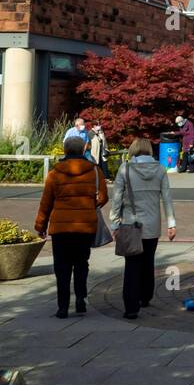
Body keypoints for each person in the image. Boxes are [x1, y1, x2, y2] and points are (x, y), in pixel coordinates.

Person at [35, 135, 107, 318]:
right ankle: (81, 298)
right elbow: (103, 198)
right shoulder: (95, 172)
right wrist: (91, 205)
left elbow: (46, 203)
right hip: (85, 226)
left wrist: (40, 225)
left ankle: (62, 306)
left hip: (60, 228)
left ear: (65, 151)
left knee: (62, 267)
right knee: (81, 263)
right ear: (84, 150)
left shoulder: (54, 174)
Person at [108, 137, 177, 320]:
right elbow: (167, 198)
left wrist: (114, 223)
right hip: (152, 224)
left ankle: (131, 307)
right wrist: (171, 223)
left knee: (132, 265)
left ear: (133, 150)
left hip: (131, 223)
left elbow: (116, 199)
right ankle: (145, 296)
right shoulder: (160, 169)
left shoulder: (125, 169)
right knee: (148, 261)